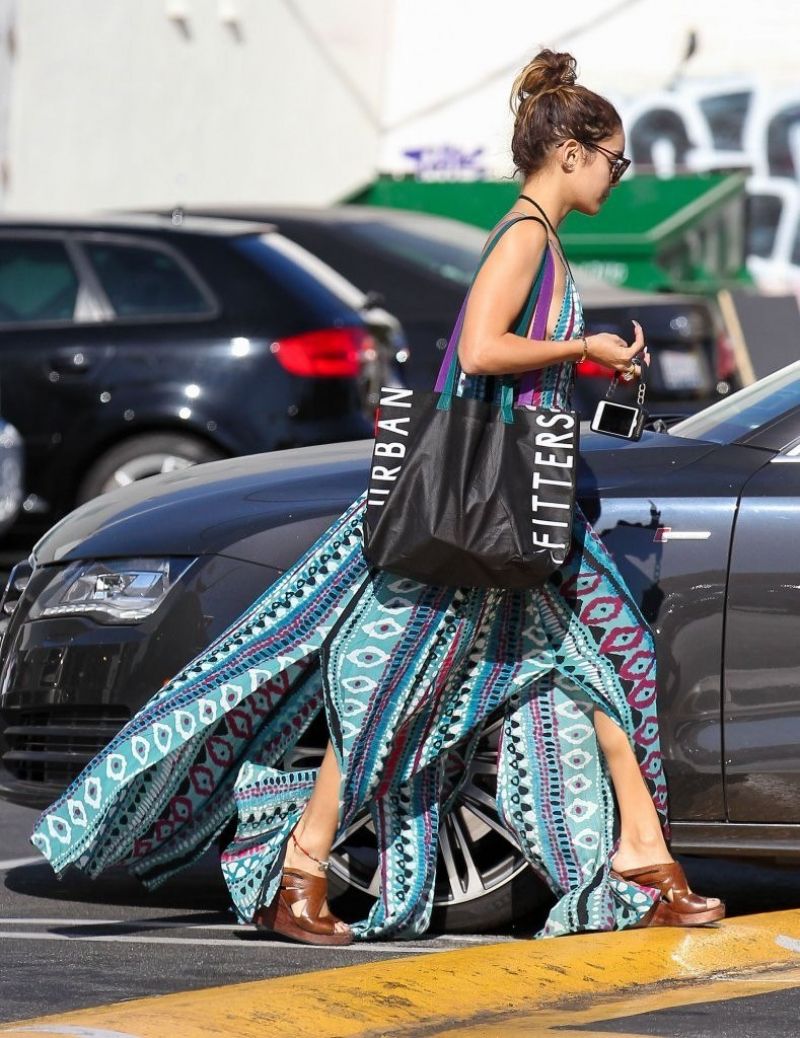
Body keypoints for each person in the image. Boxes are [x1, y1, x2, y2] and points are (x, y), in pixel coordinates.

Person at [30, 48, 723, 945]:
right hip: (477, 517)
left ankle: (643, 862)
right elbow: (477, 351)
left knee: (605, 675)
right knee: (387, 696)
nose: (620, 179)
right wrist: (581, 349)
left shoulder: (542, 243)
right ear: (571, 154)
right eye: (615, 160)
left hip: (515, 515)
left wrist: (588, 360)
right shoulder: (522, 237)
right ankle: (299, 871)